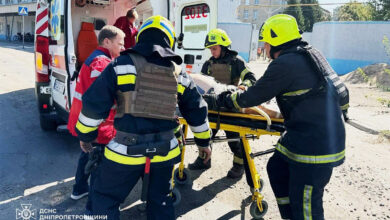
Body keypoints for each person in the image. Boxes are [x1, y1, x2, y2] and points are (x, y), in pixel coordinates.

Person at [208, 14, 349, 220]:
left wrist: (225, 100)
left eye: (266, 41)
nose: (264, 47)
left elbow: (253, 96)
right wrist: (337, 114)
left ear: (276, 40)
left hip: (314, 146)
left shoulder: (285, 64)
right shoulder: (312, 54)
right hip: (306, 134)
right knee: (276, 168)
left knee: (307, 203)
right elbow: (343, 91)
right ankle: (290, 216)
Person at [75, 15, 212, 220]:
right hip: (164, 153)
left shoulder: (120, 65)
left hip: (124, 152)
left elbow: (93, 106)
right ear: (169, 40)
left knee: (104, 199)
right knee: (161, 202)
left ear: (141, 38)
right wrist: (203, 143)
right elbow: (197, 111)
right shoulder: (178, 73)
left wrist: (85, 136)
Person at [68, 25, 125, 212]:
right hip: (99, 125)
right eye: (120, 43)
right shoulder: (103, 63)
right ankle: (93, 207)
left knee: (87, 155)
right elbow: (102, 101)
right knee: (98, 165)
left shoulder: (95, 58)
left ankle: (79, 189)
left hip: (87, 122)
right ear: (107, 41)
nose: (123, 48)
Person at [188, 28, 256, 180]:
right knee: (206, 136)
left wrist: (243, 86)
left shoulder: (237, 62)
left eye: (214, 48)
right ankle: (204, 160)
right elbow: (202, 82)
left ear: (224, 46)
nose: (212, 52)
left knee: (235, 139)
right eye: (210, 49)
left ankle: (239, 166)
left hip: (231, 107)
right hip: (212, 107)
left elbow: (251, 78)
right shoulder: (208, 64)